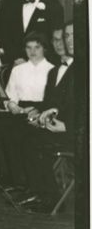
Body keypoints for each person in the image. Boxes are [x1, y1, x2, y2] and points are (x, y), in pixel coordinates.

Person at [15, 23, 78, 211]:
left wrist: (67, 126)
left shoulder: (82, 69)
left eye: (69, 36)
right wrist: (38, 112)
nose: (65, 42)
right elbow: (54, 103)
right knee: (24, 135)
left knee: (34, 143)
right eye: (63, 37)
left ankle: (50, 197)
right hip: (59, 125)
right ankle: (37, 191)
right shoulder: (55, 71)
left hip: (77, 132)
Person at [0, 32, 53, 191]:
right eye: (29, 47)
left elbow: (53, 100)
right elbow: (9, 96)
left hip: (41, 110)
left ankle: (26, 182)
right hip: (20, 110)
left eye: (37, 47)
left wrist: (38, 110)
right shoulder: (18, 70)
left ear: (44, 48)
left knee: (21, 133)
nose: (32, 51)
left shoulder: (52, 70)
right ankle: (11, 179)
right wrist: (14, 107)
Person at [1, 0, 64, 66]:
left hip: (43, 63)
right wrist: (15, 58)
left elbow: (53, 38)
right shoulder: (11, 7)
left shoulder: (53, 8)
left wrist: (36, 60)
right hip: (15, 63)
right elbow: (5, 35)